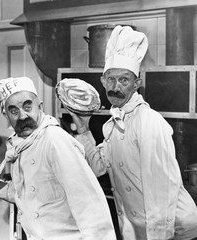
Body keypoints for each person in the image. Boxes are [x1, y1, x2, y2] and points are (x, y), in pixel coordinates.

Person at [69, 25, 197, 240]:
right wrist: (83, 127)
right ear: (102, 81)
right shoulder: (111, 124)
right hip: (139, 227)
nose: (115, 87)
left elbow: (161, 190)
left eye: (124, 80)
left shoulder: (149, 122)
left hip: (174, 228)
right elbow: (98, 167)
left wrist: (158, 237)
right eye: (110, 79)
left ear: (137, 84)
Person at [0, 76, 116, 240]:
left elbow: (89, 204)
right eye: (14, 110)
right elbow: (34, 193)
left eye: (27, 106)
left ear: (40, 107)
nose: (23, 116)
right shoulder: (20, 144)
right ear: (6, 115)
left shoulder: (54, 140)